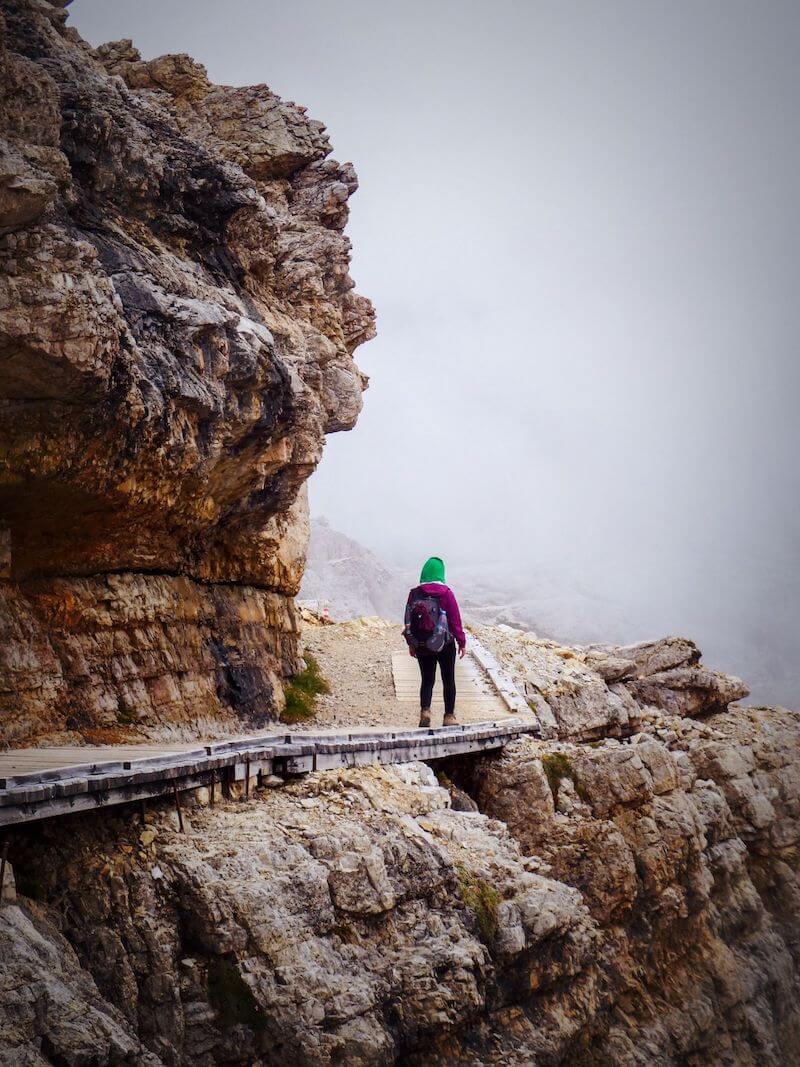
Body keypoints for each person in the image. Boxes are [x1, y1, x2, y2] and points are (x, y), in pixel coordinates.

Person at [404, 556, 466, 728]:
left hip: (422, 644)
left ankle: (425, 711)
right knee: (448, 679)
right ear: (441, 573)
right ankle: (449, 716)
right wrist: (461, 642)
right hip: (444, 645)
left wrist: (411, 643)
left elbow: (408, 620)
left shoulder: (414, 593)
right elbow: (455, 621)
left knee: (427, 680)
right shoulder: (446, 594)